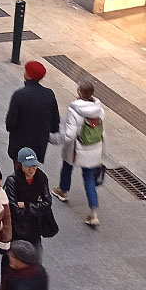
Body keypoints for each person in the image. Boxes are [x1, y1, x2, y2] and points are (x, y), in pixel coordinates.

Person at [54, 81, 105, 227]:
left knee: (67, 166)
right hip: (93, 147)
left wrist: (54, 139)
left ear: (79, 92)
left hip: (76, 148)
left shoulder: (74, 110)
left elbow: (69, 135)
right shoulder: (99, 110)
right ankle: (94, 214)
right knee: (89, 178)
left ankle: (63, 190)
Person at [5, 61, 61, 164]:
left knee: (20, 169)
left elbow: (11, 122)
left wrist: (11, 130)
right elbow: (55, 120)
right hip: (39, 143)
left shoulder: (19, 95)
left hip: (20, 142)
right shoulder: (49, 94)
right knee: (33, 167)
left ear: (28, 75)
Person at [4, 148, 55, 251]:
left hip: (35, 229)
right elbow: (15, 210)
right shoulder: (12, 181)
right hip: (17, 230)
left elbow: (47, 203)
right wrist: (37, 205)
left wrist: (25, 205)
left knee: (36, 256)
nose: (32, 169)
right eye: (28, 166)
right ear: (20, 165)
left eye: (34, 166)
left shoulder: (41, 178)